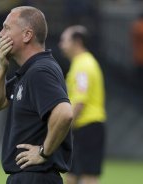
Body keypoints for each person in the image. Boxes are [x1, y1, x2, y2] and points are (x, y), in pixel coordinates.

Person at [0, 6, 73, 184]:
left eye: (7, 28)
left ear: (27, 35)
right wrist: (2, 66)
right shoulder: (28, 71)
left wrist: (43, 152)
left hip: (35, 177)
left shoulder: (40, 71)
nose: (1, 34)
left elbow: (65, 113)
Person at [59, 25, 106, 184]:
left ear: (77, 42)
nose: (61, 45)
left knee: (88, 177)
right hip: (82, 128)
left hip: (88, 127)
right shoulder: (81, 63)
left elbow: (80, 102)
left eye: (64, 40)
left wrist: (63, 128)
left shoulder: (83, 66)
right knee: (72, 175)